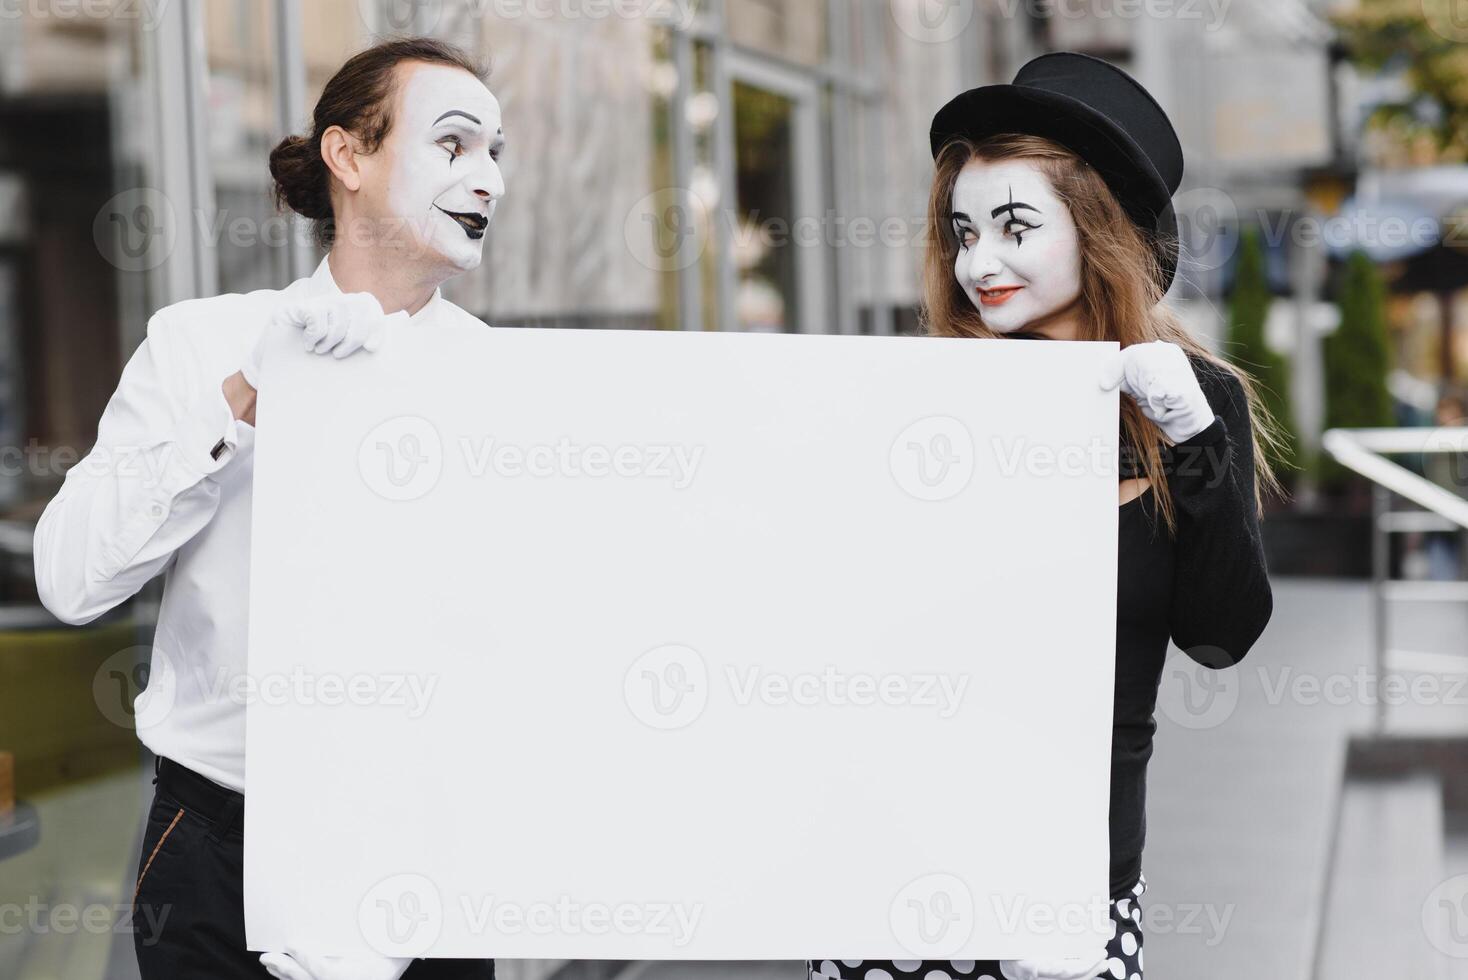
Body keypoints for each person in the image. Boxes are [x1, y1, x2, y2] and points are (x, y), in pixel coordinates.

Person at [33, 36, 505, 980]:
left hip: (423, 839)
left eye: (498, 151)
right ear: (349, 156)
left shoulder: (499, 382)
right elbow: (69, 580)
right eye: (455, 145)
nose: (488, 178)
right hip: (217, 845)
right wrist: (245, 395)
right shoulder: (200, 343)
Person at [808, 52, 1278, 980]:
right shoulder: (921, 397)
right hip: (902, 865)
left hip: (1084, 878)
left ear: (1097, 229)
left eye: (1015, 227)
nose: (979, 262)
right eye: (962, 232)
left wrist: (1192, 445)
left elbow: (1222, 634)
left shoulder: (1194, 399)